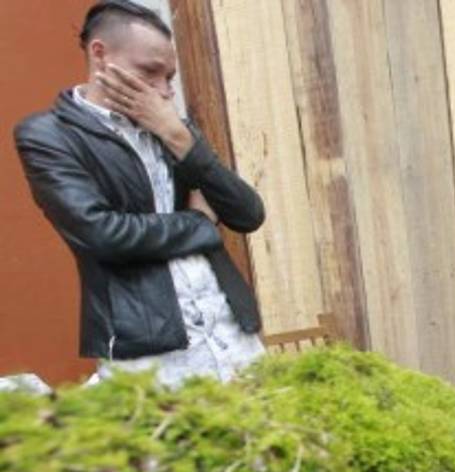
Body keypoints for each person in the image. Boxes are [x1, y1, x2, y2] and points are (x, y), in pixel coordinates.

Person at [13, 0, 266, 389]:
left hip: (231, 329)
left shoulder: (169, 125)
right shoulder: (48, 136)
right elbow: (103, 234)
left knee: (265, 443)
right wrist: (198, 222)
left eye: (169, 76)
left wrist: (180, 137)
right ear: (100, 54)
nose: (164, 90)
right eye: (150, 72)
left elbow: (248, 214)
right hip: (150, 346)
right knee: (175, 446)